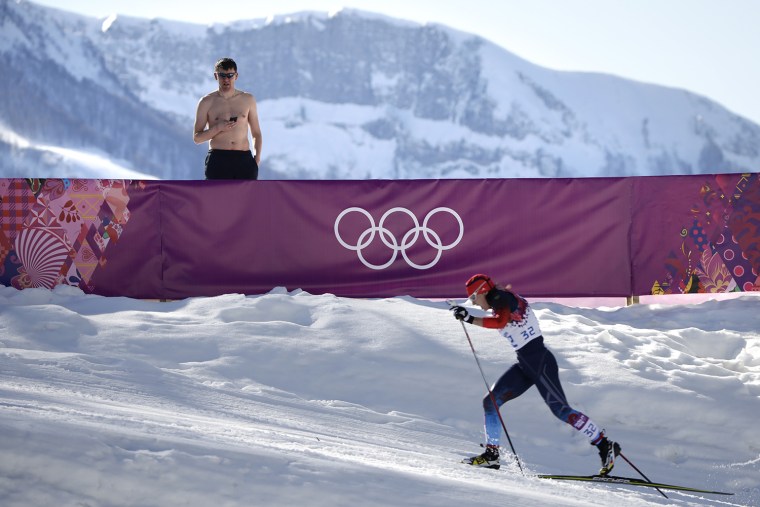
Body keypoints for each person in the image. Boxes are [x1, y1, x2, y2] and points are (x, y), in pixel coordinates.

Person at [451, 274, 621, 474]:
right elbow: (498, 318)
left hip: (540, 363)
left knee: (561, 410)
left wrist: (469, 318)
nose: (475, 304)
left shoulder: (501, 299)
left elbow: (500, 322)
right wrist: (467, 314)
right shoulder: (498, 299)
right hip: (525, 364)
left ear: (483, 292)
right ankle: (491, 455)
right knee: (490, 402)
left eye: (474, 299)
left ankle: (604, 444)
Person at [193, 57, 263, 179]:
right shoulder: (206, 102)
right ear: (216, 76)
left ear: (236, 76)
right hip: (218, 159)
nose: (226, 79)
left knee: (247, 198)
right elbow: (197, 138)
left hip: (244, 159)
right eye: (222, 75)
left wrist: (256, 159)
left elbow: (256, 133)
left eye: (230, 75)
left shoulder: (248, 99)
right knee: (217, 198)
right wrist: (218, 128)